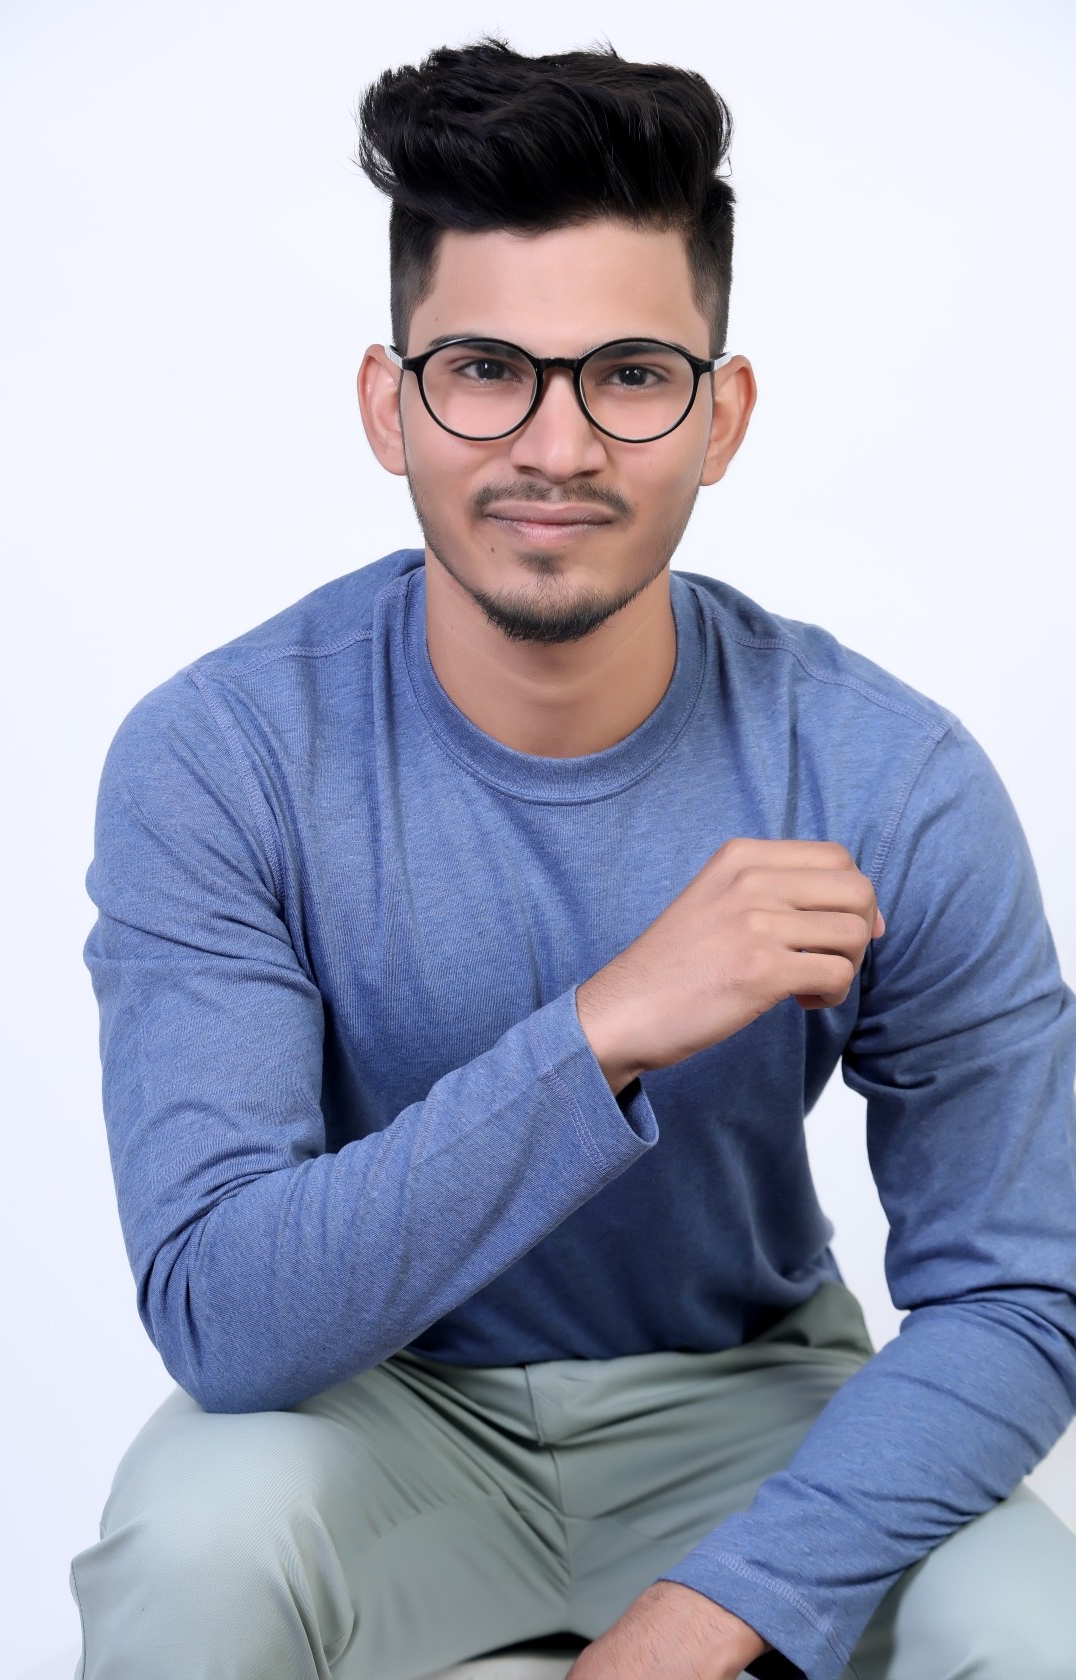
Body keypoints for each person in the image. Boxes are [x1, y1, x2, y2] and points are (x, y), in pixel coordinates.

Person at [69, 39, 1076, 1680]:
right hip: (378, 1414)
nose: (556, 445)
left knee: (1037, 1628)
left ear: (719, 415)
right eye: (485, 369)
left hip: (753, 1408)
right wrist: (608, 1027)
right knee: (198, 1543)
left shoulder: (886, 775)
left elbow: (1021, 1295)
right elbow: (224, 1317)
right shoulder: (224, 755)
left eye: (629, 373)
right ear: (390, 404)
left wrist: (714, 1613)